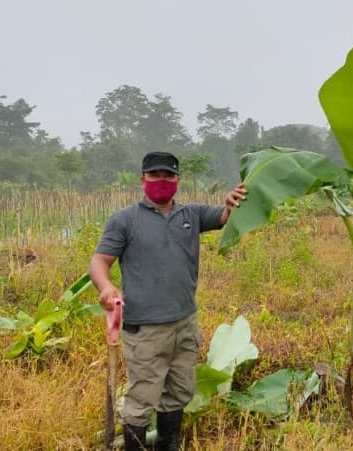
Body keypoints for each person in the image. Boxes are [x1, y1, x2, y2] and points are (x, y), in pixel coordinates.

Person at [89, 151, 246, 450]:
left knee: (179, 389)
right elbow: (99, 261)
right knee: (143, 394)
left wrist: (231, 203)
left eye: (168, 175)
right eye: (155, 175)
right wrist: (106, 287)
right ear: (143, 179)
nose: (161, 181)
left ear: (177, 180)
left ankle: (167, 443)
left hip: (185, 323)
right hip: (145, 328)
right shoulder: (124, 220)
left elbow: (224, 217)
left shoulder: (191, 215)